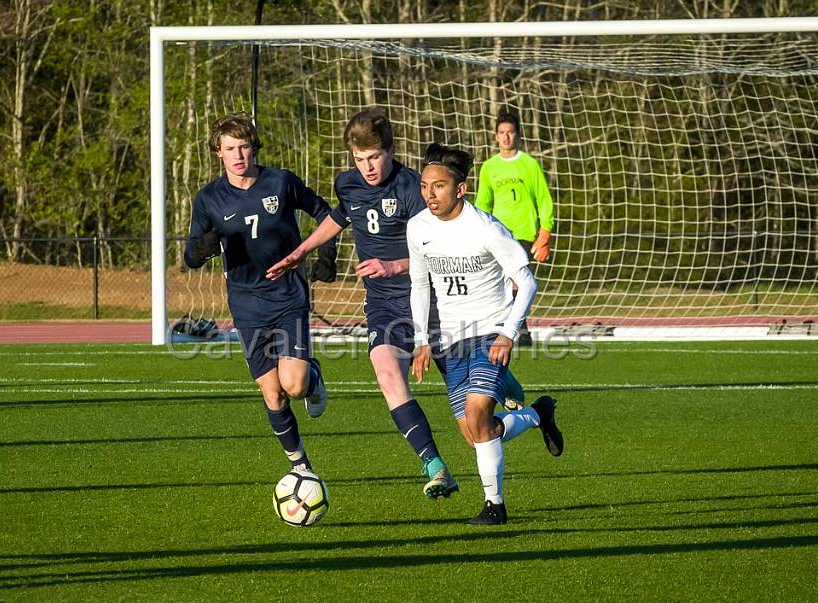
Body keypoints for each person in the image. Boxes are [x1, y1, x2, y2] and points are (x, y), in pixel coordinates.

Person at [267, 108, 463, 499]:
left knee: (471, 416)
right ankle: (435, 466)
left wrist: (396, 265)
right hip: (384, 307)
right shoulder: (348, 185)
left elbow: (442, 247)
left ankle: (526, 406)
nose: (368, 167)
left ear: (389, 150)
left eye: (374, 157)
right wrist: (301, 251)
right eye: (360, 159)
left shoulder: (412, 188)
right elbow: (340, 218)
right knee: (387, 373)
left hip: (431, 303)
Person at [408, 142, 564, 526]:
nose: (430, 193)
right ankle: (536, 415)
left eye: (439, 186)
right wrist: (421, 341)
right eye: (425, 185)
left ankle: (495, 507)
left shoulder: (486, 228)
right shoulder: (417, 228)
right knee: (479, 434)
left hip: (489, 332)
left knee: (479, 415)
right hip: (448, 341)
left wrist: (508, 333)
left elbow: (526, 283)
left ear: (460, 189)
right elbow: (419, 285)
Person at [185, 113, 333, 473]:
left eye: (244, 147)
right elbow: (190, 256)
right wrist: (202, 249)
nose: (238, 155)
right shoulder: (209, 199)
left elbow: (326, 212)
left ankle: (314, 381)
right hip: (247, 305)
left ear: (254, 148)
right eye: (230, 148)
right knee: (272, 393)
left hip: (287, 296)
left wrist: (325, 253)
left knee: (294, 386)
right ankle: (301, 467)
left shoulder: (280, 182)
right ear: (218, 152)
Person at [474, 110, 555, 347]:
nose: (506, 137)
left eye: (510, 132)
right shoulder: (489, 167)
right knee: (501, 285)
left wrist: (545, 232)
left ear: (518, 135)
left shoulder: (529, 165)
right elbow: (483, 202)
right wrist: (478, 229)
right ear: (496, 136)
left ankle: (520, 331)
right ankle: (512, 329)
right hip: (497, 233)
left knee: (518, 282)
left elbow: (544, 199)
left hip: (523, 233)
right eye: (502, 133)